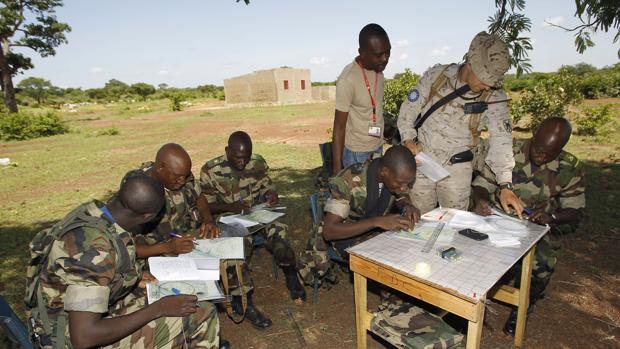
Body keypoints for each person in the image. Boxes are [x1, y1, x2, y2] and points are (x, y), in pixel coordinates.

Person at [25, 175, 220, 349]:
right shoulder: (96, 252)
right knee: (201, 312)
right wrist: (158, 309)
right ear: (148, 217)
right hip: (66, 335)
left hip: (73, 312)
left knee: (185, 298)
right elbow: (84, 337)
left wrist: (131, 277)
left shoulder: (94, 212)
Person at [471, 116, 585, 336]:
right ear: (534, 136)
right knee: (468, 249)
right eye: (539, 148)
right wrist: (481, 200)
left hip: (533, 227)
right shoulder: (508, 153)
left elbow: (575, 210)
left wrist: (551, 216)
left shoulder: (569, 168)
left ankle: (524, 305)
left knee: (542, 265)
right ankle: (471, 299)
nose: (540, 155)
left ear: (560, 149)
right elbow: (482, 184)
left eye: (549, 153)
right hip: (495, 217)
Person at [397, 31, 524, 216]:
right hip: (422, 162)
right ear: (471, 64)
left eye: (493, 82)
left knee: (455, 224)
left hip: (457, 169)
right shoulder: (437, 77)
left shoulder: (495, 97)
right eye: (485, 79)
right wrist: (408, 140)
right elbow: (408, 110)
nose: (489, 86)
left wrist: (505, 185)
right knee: (420, 219)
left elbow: (501, 142)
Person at [122, 144, 231, 348]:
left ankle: (205, 330)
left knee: (223, 260)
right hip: (153, 257)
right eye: (177, 176)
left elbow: (199, 197)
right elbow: (125, 246)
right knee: (188, 292)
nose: (183, 181)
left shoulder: (183, 176)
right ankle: (193, 332)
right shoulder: (139, 188)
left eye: (186, 175)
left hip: (185, 242)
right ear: (160, 167)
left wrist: (208, 219)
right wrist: (168, 248)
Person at [199, 131, 305, 327]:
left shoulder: (257, 163)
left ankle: (291, 273)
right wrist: (231, 207)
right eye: (238, 158)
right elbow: (206, 205)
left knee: (279, 233)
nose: (242, 162)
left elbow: (267, 186)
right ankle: (243, 301)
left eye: (246, 158)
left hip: (258, 214)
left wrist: (270, 194)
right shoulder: (211, 170)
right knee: (237, 250)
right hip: (231, 220)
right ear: (227, 151)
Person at [322, 145, 420, 259]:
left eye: (408, 183)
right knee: (394, 256)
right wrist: (376, 222)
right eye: (401, 183)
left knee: (409, 249)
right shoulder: (347, 181)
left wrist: (407, 205)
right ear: (384, 172)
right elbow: (329, 231)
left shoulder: (393, 176)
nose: (404, 188)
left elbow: (401, 197)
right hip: (345, 236)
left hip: (374, 232)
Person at [332, 23, 391, 173]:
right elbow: (339, 127)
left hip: (378, 147)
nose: (385, 59)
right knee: (360, 196)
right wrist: (337, 169)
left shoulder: (379, 70)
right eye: (379, 54)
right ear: (362, 52)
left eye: (388, 52)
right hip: (356, 154)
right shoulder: (348, 79)